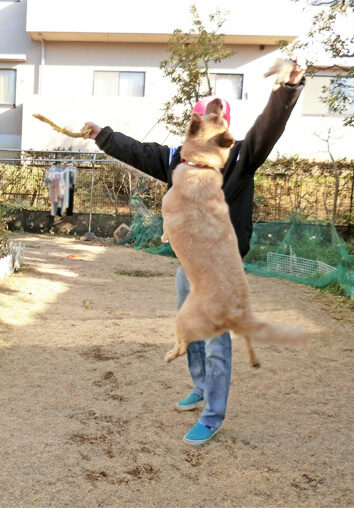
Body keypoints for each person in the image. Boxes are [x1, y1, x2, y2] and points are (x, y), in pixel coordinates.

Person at [82, 57, 306, 446]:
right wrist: (104, 135)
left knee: (217, 340)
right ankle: (201, 387)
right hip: (190, 263)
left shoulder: (239, 159)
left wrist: (286, 90)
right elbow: (141, 152)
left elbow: (267, 131)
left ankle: (214, 414)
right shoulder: (179, 159)